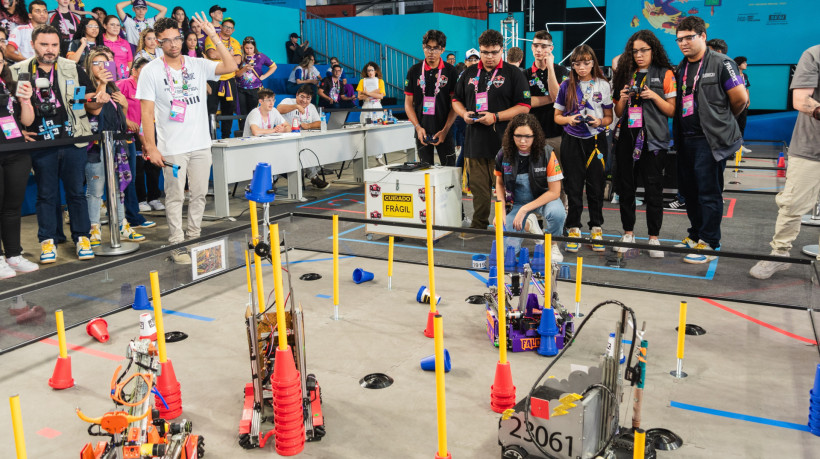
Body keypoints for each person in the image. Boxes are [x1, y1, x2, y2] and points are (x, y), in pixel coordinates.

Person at [137, 14, 237, 264]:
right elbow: (146, 113)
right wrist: (152, 147)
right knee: (175, 197)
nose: (173, 44)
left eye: (177, 38)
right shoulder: (151, 71)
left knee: (200, 194)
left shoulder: (197, 64)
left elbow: (230, 66)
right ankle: (177, 244)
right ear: (158, 42)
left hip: (201, 144)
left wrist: (213, 36)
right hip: (172, 148)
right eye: (167, 40)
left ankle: (195, 238)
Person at [11, 24, 107, 263]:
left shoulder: (72, 67)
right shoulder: (16, 71)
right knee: (46, 194)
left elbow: (86, 104)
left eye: (54, 45)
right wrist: (19, 130)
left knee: (76, 192)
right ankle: (47, 240)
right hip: (40, 144)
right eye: (44, 44)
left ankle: (82, 237)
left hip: (73, 139)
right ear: (33, 44)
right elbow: (9, 110)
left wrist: (100, 98)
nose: (50, 50)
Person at [672, 16, 747, 263]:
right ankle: (695, 235)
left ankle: (710, 242)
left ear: (702, 37)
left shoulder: (722, 63)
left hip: (709, 140)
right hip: (685, 138)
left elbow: (740, 100)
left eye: (688, 38)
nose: (683, 43)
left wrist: (720, 121)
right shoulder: (682, 67)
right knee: (689, 192)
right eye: (679, 39)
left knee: (708, 193)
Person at [749, 44, 820, 279]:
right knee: (791, 206)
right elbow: (801, 100)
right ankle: (779, 254)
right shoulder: (814, 54)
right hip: (811, 148)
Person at [452, 29, 531, 237]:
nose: (489, 57)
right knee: (478, 189)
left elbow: (524, 106)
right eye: (485, 52)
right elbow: (455, 100)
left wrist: (496, 116)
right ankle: (478, 225)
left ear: (501, 50)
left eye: (494, 52)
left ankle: (505, 224)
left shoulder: (514, 74)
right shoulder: (469, 73)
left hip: (503, 142)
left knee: (506, 188)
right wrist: (463, 114)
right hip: (474, 142)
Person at [611, 30, 677, 258]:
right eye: (634, 51)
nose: (639, 55)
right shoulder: (624, 74)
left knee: (654, 190)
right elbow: (618, 112)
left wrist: (653, 96)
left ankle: (653, 238)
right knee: (626, 188)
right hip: (628, 138)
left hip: (654, 140)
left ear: (653, 50)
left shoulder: (666, 73)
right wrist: (622, 97)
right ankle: (628, 234)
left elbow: (672, 110)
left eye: (643, 50)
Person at [553, 44, 613, 252]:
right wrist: (569, 119)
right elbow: (557, 117)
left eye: (586, 63)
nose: (582, 67)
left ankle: (596, 227)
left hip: (596, 141)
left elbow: (609, 117)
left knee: (596, 187)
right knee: (573, 187)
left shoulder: (603, 85)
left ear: (593, 62)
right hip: (571, 140)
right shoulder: (566, 86)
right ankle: (573, 228)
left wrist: (599, 122)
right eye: (577, 63)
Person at [83, 49, 145, 246]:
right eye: (97, 63)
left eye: (106, 63)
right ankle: (94, 227)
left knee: (119, 188)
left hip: (117, 144)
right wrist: (101, 84)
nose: (102, 67)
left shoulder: (113, 89)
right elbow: (94, 107)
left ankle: (121, 224)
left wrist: (125, 106)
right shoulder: (87, 88)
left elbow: (122, 120)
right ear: (89, 66)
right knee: (96, 189)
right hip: (95, 146)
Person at [495, 114, 566, 263]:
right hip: (516, 202)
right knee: (506, 253)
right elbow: (500, 183)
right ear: (511, 135)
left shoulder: (547, 153)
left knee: (558, 213)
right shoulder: (503, 154)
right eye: (518, 136)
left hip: (544, 199)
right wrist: (500, 209)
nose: (522, 141)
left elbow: (555, 192)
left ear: (535, 136)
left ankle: (552, 244)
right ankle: (528, 224)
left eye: (527, 136)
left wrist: (525, 209)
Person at [0, 43, 38, 277]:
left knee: (12, 207)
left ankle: (13, 255)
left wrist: (26, 100)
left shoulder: (9, 85)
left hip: (15, 152)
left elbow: (26, 121)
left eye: (0, 60)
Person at [403, 29, 459, 166]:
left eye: (436, 48)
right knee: (424, 172)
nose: (431, 52)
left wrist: (445, 130)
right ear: (423, 47)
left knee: (450, 172)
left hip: (444, 130)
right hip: (422, 131)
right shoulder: (414, 71)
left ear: (443, 49)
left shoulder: (451, 71)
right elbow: (408, 104)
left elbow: (455, 105)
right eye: (428, 47)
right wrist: (417, 127)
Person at [115, 56, 155, 230]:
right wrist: (124, 119)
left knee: (129, 178)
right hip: (117, 138)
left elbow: (140, 121)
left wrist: (145, 142)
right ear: (134, 71)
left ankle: (132, 217)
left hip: (132, 138)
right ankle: (128, 218)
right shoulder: (123, 84)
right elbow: (111, 107)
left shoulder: (148, 90)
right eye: (143, 70)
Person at [277, 85, 330, 190]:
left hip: (304, 140)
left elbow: (320, 123)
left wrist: (308, 125)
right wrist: (296, 106)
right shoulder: (288, 101)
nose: (304, 101)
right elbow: (278, 109)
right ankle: (313, 177)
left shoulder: (311, 107)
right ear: (297, 95)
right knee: (304, 149)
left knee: (317, 148)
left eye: (308, 98)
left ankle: (311, 175)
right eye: (302, 97)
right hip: (285, 140)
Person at [526, 30, 569, 157]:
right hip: (532, 134)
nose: (539, 49)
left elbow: (558, 98)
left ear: (551, 48)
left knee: (559, 175)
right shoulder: (524, 74)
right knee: (535, 175)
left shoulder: (562, 71)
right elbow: (527, 102)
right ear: (532, 47)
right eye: (536, 45)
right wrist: (553, 98)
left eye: (544, 46)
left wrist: (550, 67)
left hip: (558, 134)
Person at [204, 17, 241, 139]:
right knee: (211, 108)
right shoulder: (211, 37)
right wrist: (228, 55)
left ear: (233, 30)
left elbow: (238, 60)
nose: (227, 29)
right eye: (225, 26)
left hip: (229, 79)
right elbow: (212, 54)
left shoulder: (235, 42)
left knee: (229, 109)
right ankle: (209, 137)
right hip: (213, 77)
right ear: (221, 27)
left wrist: (223, 56)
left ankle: (226, 136)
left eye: (230, 28)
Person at [236, 35, 275, 131]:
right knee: (242, 113)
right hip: (241, 89)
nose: (249, 50)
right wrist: (244, 69)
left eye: (251, 48)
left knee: (254, 112)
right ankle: (242, 133)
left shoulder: (260, 56)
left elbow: (274, 66)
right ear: (243, 47)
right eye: (246, 48)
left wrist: (264, 76)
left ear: (254, 47)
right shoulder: (239, 57)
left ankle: (255, 131)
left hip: (255, 89)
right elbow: (236, 74)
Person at [102, 14, 132, 79]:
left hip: (124, 79)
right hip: (106, 79)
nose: (115, 27)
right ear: (105, 26)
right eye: (112, 24)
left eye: (118, 25)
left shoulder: (125, 43)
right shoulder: (100, 41)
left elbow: (130, 61)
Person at [734, 55, 751, 152]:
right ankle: (732, 146)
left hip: (744, 104)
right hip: (736, 104)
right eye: (744, 62)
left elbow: (746, 88)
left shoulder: (745, 76)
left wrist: (748, 100)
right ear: (739, 64)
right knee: (734, 124)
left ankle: (740, 145)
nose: (746, 64)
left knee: (742, 124)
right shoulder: (733, 75)